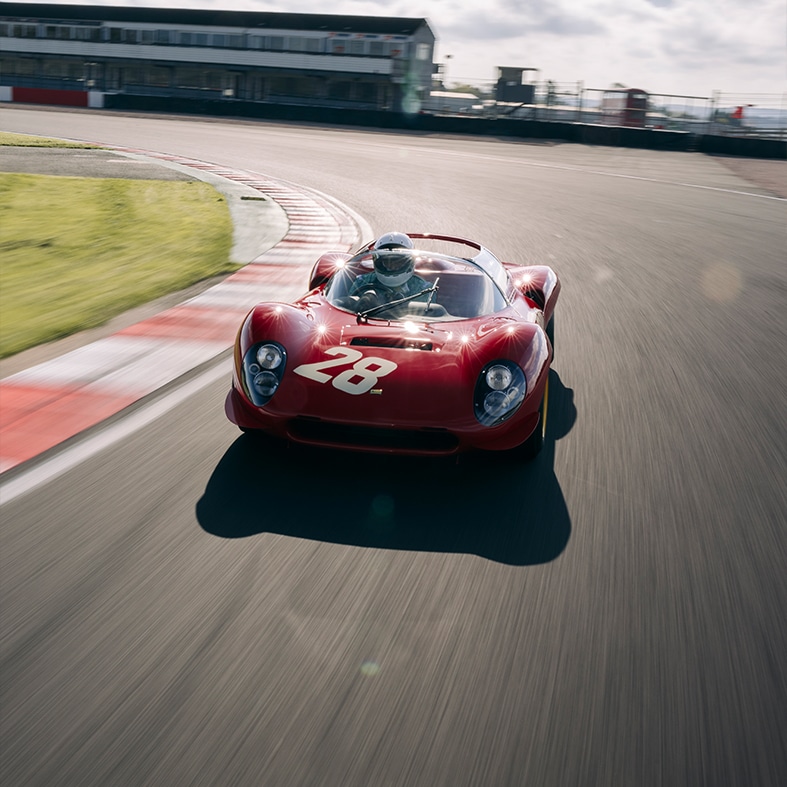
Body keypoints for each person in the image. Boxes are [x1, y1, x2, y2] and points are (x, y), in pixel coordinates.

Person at [348, 232, 432, 312]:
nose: (391, 266)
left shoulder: (424, 289)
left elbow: (425, 317)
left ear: (409, 262)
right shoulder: (362, 281)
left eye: (397, 261)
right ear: (378, 262)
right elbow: (347, 308)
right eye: (386, 261)